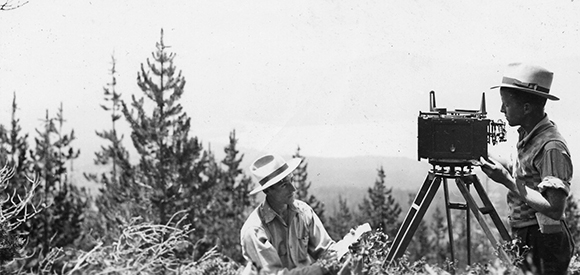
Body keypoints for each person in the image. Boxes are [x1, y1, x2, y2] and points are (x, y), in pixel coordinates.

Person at [479, 63, 574, 274]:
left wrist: (506, 181)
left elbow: (555, 208)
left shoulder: (551, 147)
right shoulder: (529, 136)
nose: (502, 110)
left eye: (506, 104)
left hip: (544, 240)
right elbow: (518, 169)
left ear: (526, 108)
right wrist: (475, 149)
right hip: (529, 234)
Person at [240, 154, 348, 275]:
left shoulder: (303, 212)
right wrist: (318, 270)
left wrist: (346, 251)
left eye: (291, 180)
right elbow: (273, 273)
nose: (293, 189)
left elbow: (326, 250)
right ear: (267, 190)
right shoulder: (254, 230)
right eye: (284, 185)